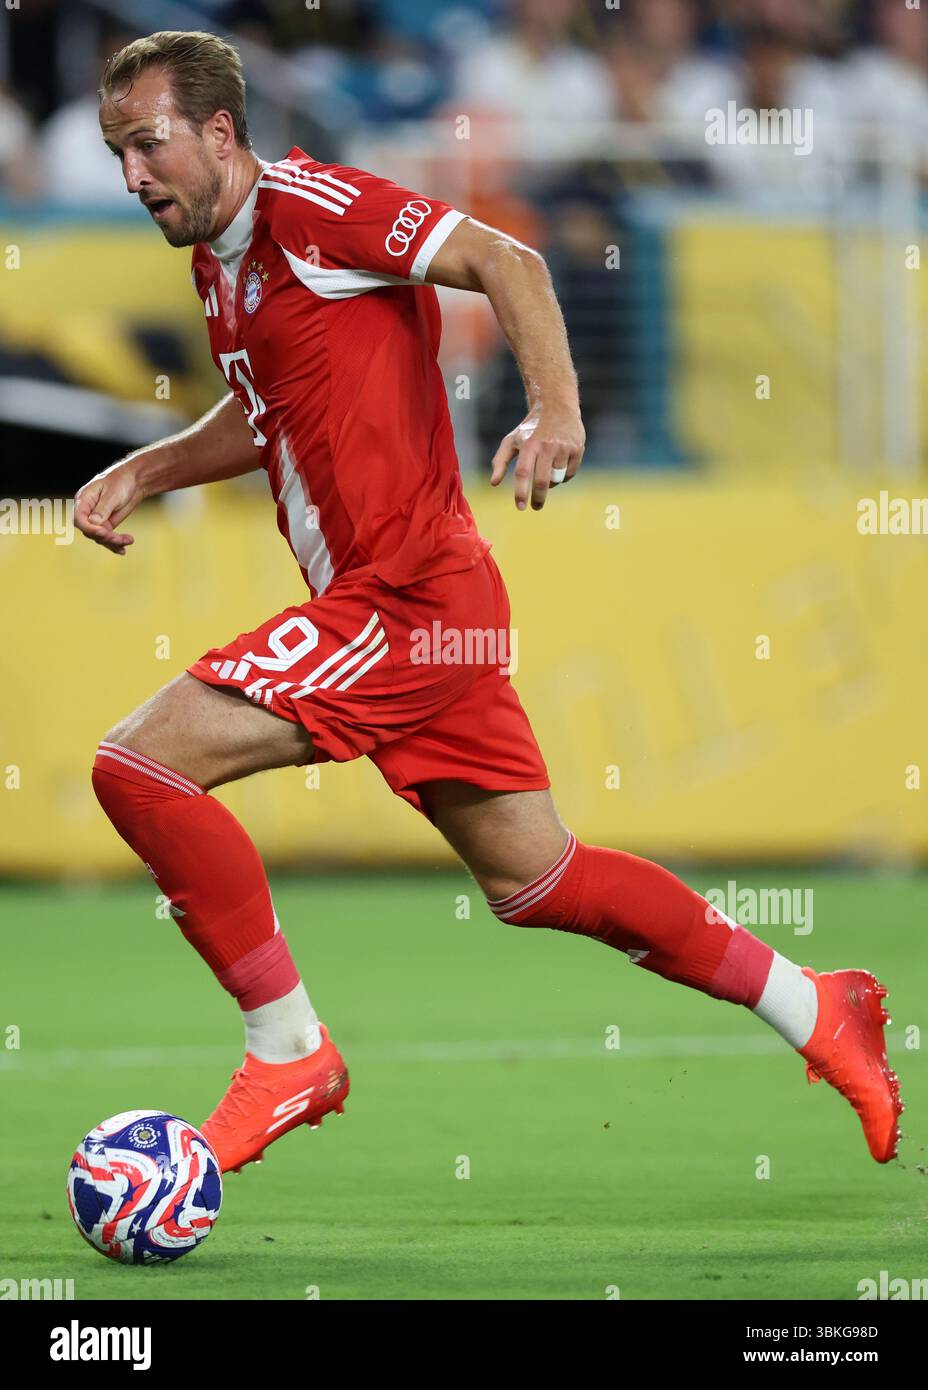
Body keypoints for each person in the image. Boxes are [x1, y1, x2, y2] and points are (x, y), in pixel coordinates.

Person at [76, 30, 901, 1175]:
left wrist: (555, 410)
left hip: (401, 601)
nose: (132, 176)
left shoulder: (314, 207)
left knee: (141, 766)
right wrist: (144, 468)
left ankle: (289, 1050)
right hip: (422, 609)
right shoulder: (221, 261)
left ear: (220, 132)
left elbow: (509, 260)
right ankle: (818, 1007)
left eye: (149, 144)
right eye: (118, 151)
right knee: (539, 880)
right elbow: (261, 407)